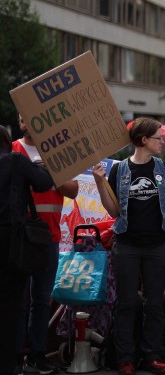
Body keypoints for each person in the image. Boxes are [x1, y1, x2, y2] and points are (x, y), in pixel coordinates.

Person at [92, 118, 165, 375]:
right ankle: (125, 357)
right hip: (126, 244)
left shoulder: (164, 169)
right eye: (158, 137)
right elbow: (114, 210)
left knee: (154, 303)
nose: (163, 141)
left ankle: (153, 355)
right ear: (143, 140)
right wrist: (99, 182)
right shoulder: (120, 170)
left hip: (156, 247)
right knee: (126, 303)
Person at [13, 114, 79, 375]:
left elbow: (73, 190)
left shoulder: (57, 153)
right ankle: (16, 355)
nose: (24, 121)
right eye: (21, 118)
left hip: (48, 238)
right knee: (18, 300)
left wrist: (49, 173)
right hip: (17, 239)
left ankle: (37, 354)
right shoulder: (13, 150)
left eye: (28, 116)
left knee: (41, 300)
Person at [0, 125, 54, 375]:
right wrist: (43, 168)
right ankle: (11, 362)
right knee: (12, 303)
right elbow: (42, 183)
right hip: (12, 244)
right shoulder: (16, 161)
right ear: (7, 142)